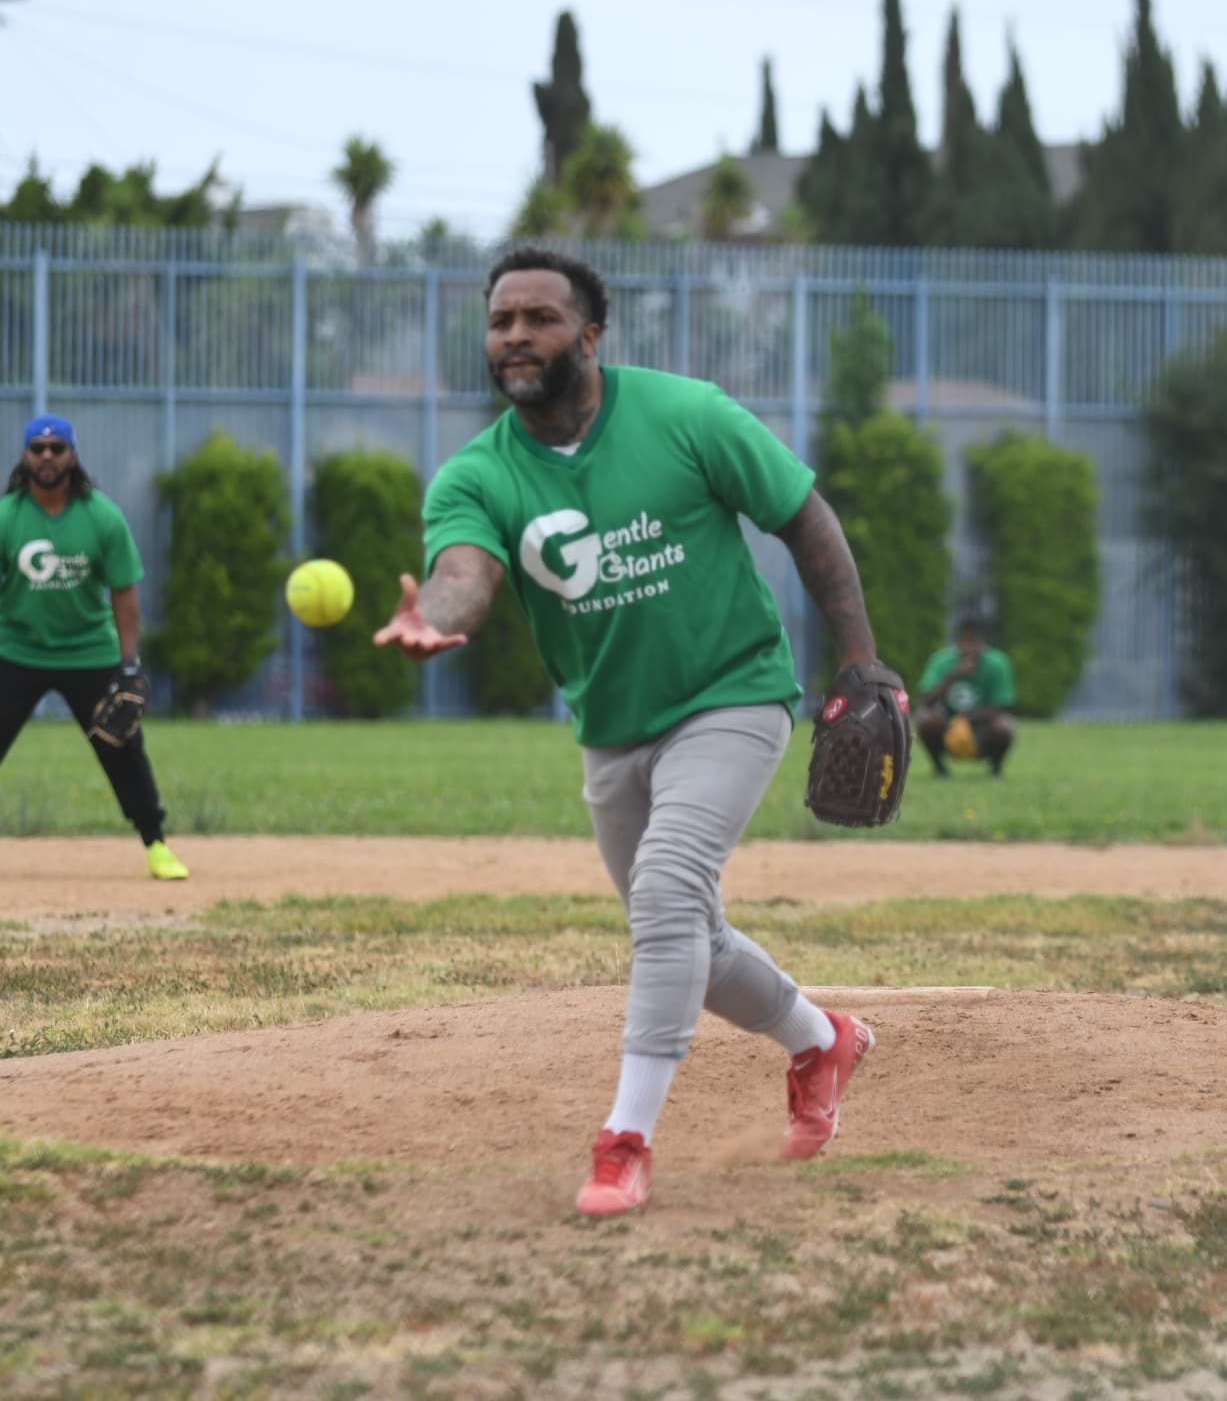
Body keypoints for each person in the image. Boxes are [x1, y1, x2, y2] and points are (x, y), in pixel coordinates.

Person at [375, 246, 891, 1217]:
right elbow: (464, 573)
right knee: (691, 937)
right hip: (611, 727)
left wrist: (859, 661)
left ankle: (625, 1142)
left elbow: (804, 517)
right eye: (500, 321)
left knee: (665, 891)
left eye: (539, 317)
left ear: (590, 334)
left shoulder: (686, 415)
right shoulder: (476, 475)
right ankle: (823, 1042)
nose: (516, 335)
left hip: (732, 693)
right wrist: (434, 616)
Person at [0, 415, 188, 880]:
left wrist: (129, 664)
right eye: (38, 448)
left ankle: (156, 844)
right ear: (25, 456)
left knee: (122, 747)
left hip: (88, 651)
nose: (47, 456)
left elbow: (124, 593)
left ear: (73, 455)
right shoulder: (7, 516)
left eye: (57, 448)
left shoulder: (102, 516)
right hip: (17, 648)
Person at [916, 618, 1017, 778]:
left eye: (973, 641)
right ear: (956, 641)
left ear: (983, 642)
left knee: (1003, 726)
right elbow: (926, 700)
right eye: (965, 640)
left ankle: (996, 768)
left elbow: (1002, 705)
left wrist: (967, 719)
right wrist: (953, 675)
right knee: (926, 719)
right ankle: (939, 768)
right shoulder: (941, 660)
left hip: (982, 725)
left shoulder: (997, 663)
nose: (968, 647)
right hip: (947, 724)